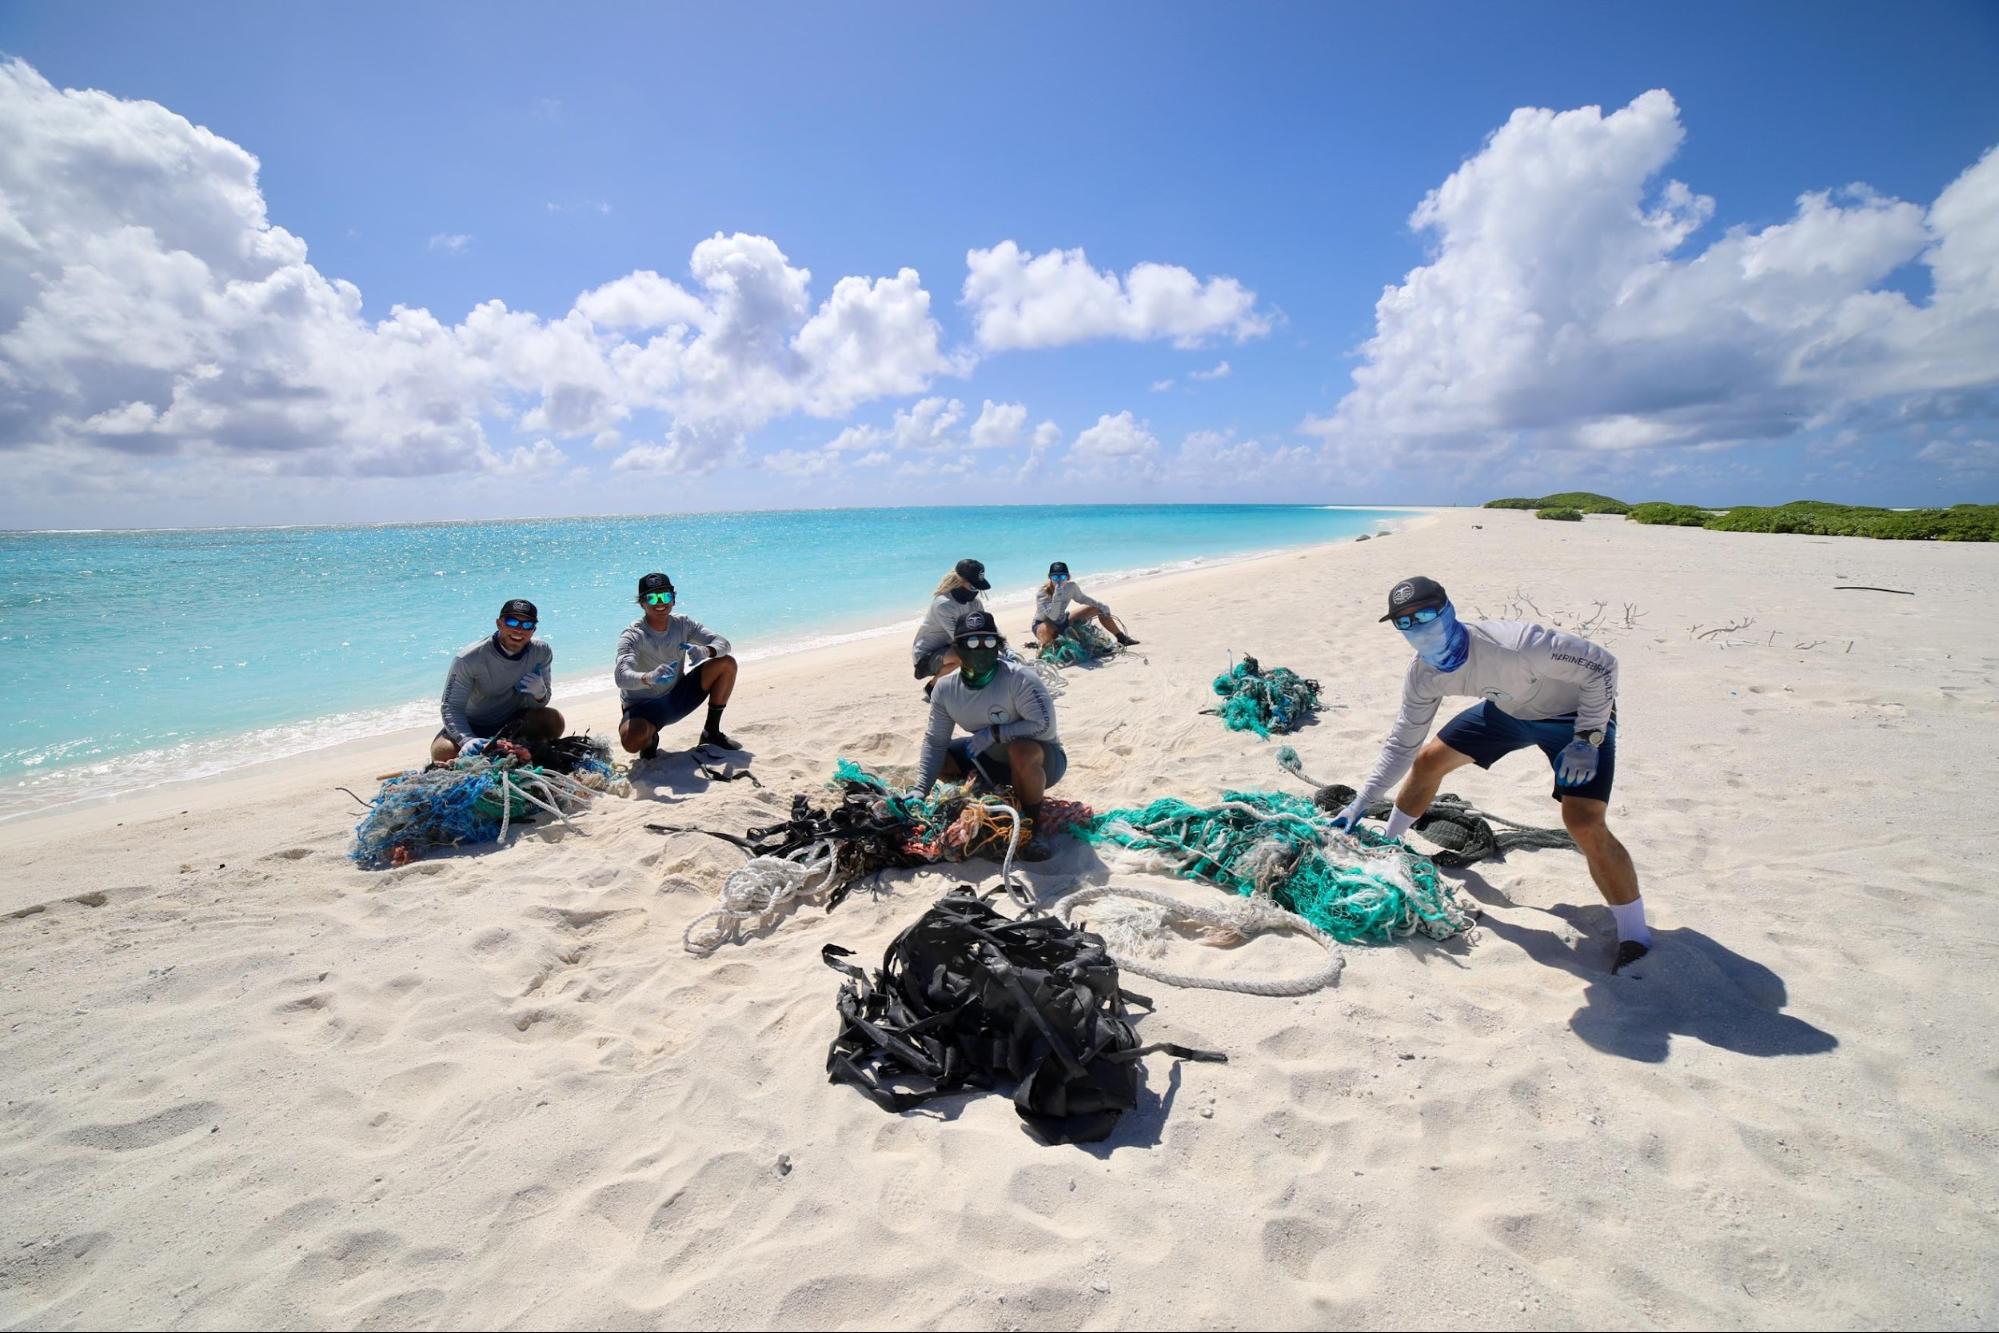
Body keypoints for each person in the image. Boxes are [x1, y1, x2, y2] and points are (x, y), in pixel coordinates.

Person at [1328, 575, 1653, 973]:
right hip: (1508, 712)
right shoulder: (1423, 674)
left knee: (1583, 822)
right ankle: (1389, 844)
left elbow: (1603, 667)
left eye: (1425, 614)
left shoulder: (1518, 644)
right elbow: (1402, 743)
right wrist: (1362, 802)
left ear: (1448, 610)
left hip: (1574, 718)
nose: (1418, 627)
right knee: (1428, 761)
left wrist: (1588, 737)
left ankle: (1635, 935)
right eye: (1405, 622)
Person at [914, 611, 1065, 862]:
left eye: (988, 642)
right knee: (942, 758)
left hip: (1043, 762)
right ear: (957, 649)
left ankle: (1032, 826)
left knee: (1020, 750)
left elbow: (1044, 726)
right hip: (990, 761)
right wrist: (921, 789)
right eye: (971, 643)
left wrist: (997, 733)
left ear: (998, 645)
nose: (980, 649)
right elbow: (935, 740)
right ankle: (990, 798)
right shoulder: (945, 689)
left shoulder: (1019, 678)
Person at [614, 572, 740, 760]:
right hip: (644, 706)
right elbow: (621, 677)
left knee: (726, 663)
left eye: (665, 596)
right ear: (642, 603)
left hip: (678, 696)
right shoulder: (633, 635)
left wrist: (706, 651)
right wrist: (648, 677)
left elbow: (723, 643)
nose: (660, 602)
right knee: (631, 742)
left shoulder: (683, 624)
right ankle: (650, 740)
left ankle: (711, 732)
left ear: (673, 599)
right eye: (652, 597)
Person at [432, 598, 563, 763]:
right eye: (512, 621)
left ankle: (521, 748)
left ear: (533, 630)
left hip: (513, 723)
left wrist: (540, 694)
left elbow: (538, 705)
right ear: (499, 623)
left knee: (554, 720)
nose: (519, 630)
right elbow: (451, 707)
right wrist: (466, 739)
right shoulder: (468, 658)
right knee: (443, 753)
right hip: (474, 724)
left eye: (527, 625)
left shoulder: (541, 651)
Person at [911, 558, 991, 693]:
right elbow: (962, 640)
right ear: (960, 581)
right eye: (973, 586)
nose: (976, 591)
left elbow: (987, 630)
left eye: (978, 587)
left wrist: (1007, 650)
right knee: (968, 655)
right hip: (926, 655)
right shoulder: (943, 604)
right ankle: (932, 688)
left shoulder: (975, 603)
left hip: (949, 647)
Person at [1032, 561, 1139, 649]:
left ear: (1068, 577)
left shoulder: (1071, 587)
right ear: (1049, 578)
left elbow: (1082, 599)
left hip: (1063, 620)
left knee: (1098, 609)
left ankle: (1121, 638)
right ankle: (1047, 645)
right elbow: (1053, 616)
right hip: (1043, 625)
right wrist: (1056, 598)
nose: (1059, 581)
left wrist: (1100, 605)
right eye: (1055, 578)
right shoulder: (1043, 593)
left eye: (1062, 577)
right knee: (1046, 630)